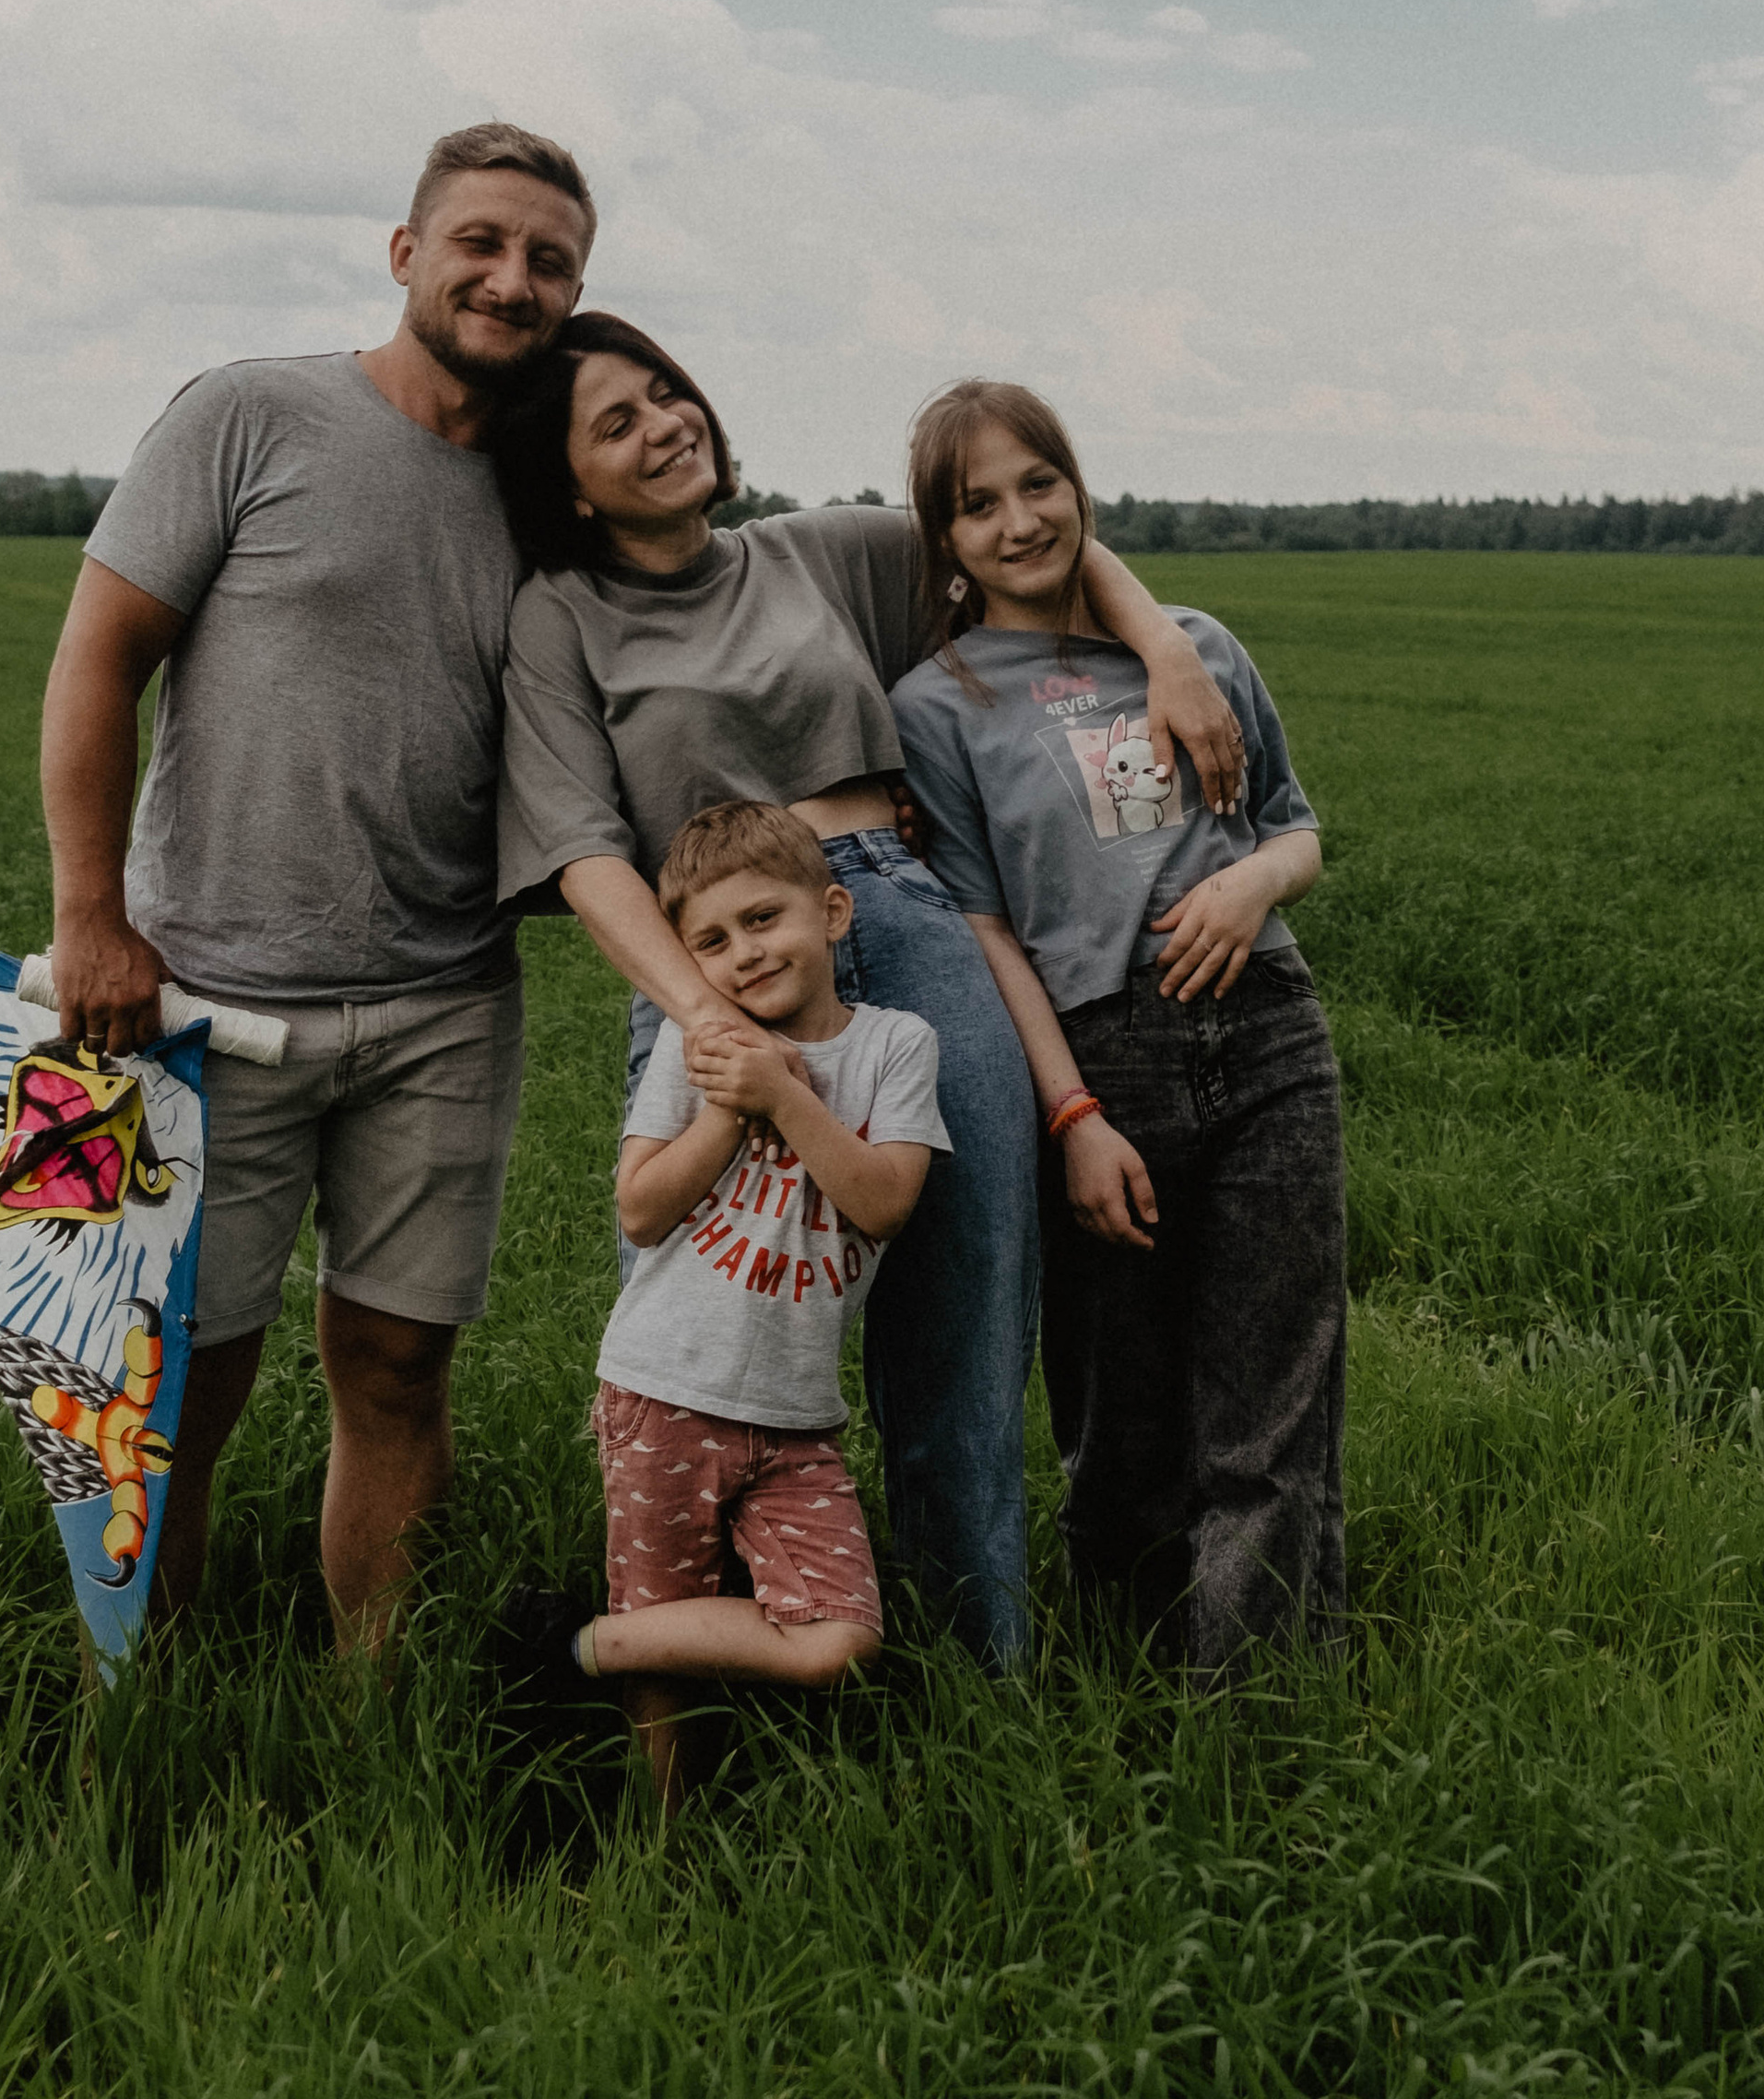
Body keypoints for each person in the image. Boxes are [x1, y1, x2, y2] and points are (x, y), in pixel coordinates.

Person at [489, 316, 1246, 1667]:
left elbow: (1030, 546)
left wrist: (1166, 649)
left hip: (897, 915)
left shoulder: (817, 550)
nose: (664, 421)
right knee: (697, 1346)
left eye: (666, 390)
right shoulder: (559, 618)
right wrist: (706, 1018)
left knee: (963, 1337)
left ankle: (975, 1681)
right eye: (615, 423)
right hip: (708, 968)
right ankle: (708, 1690)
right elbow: (584, 852)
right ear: (571, 485)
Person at [39, 121, 596, 1657]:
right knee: (180, 1377)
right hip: (196, 1002)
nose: (512, 278)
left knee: (401, 1371)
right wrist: (95, 921)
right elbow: (97, 663)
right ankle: (134, 1708)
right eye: (481, 242)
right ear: (406, 251)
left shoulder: (562, 494)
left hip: (445, 1009)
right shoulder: (251, 412)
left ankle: (373, 1719)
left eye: (550, 260)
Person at [891, 379, 1344, 1678]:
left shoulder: (1194, 644)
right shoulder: (941, 704)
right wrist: (1071, 1116)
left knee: (1277, 1412)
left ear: (1080, 489)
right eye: (978, 504)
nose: (1019, 520)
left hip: (1265, 1031)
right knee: (1122, 1423)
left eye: (1040, 483)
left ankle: (1256, 1725)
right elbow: (981, 929)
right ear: (944, 539)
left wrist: (1251, 883)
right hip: (1102, 1058)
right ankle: (1132, 1698)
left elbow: (1296, 830)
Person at [504, 800, 953, 1804]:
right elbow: (640, 1209)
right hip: (663, 1390)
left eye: (764, 919)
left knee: (837, 1637)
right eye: (710, 941)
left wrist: (788, 1096)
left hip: (798, 1421)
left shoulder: (896, 1047)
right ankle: (664, 1839)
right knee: (669, 1645)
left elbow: (882, 1203)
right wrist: (728, 1100)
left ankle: (571, 1644)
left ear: (832, 913)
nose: (743, 954)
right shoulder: (692, 1041)